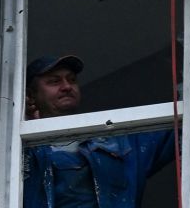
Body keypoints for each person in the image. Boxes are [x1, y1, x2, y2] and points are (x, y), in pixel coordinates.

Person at [22, 55, 176, 208]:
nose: (67, 86)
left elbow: (180, 130)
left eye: (72, 80)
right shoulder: (22, 150)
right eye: (54, 81)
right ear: (30, 95)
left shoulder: (120, 145)